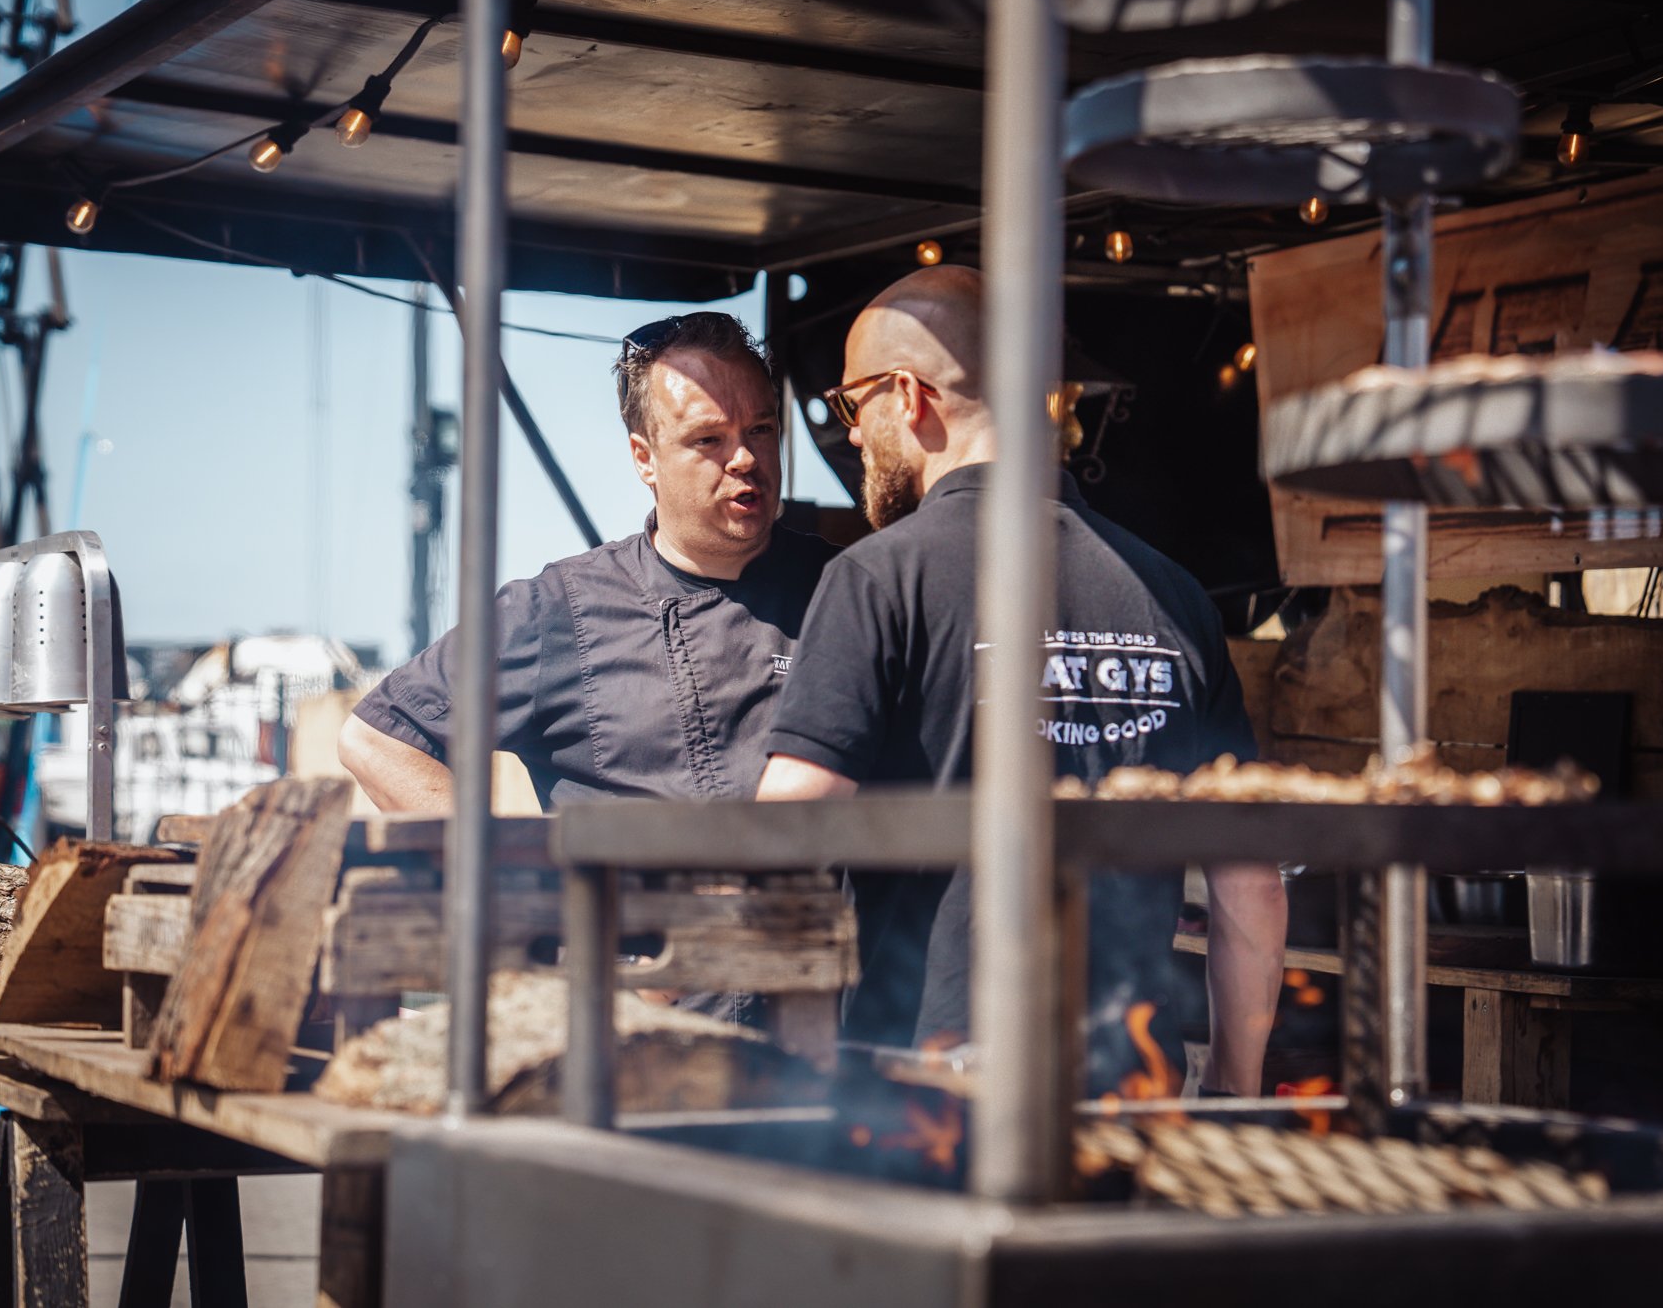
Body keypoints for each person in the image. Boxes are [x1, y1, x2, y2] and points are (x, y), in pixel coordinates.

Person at [756, 265, 1287, 1097]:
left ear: (910, 394)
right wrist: (1233, 1083)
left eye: (854, 407)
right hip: (1125, 1095)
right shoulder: (1173, 596)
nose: (853, 436)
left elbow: (787, 836)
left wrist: (802, 1066)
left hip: (920, 1100)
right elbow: (1250, 881)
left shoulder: (878, 579)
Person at [340, 310, 836, 813]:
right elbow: (378, 741)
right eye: (709, 439)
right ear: (645, 458)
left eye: (760, 429)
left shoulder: (848, 589)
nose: (745, 458)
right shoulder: (557, 611)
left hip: (819, 894)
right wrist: (507, 879)